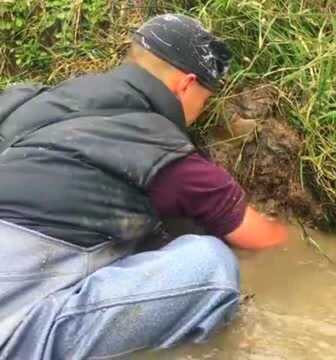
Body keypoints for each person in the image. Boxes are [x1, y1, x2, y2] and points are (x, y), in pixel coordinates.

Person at [0, 13, 288, 359]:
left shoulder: (31, 100)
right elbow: (262, 237)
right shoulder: (164, 150)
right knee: (212, 266)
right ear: (186, 85)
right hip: (11, 317)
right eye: (205, 99)